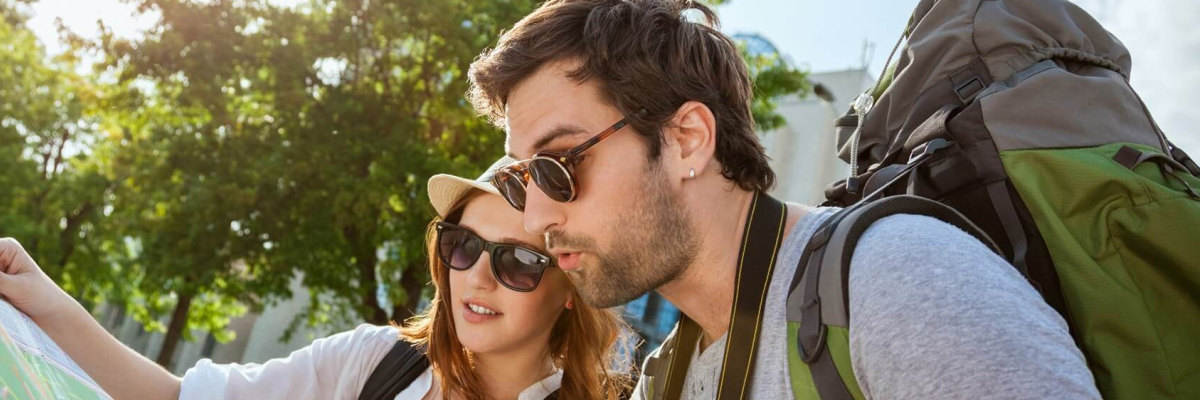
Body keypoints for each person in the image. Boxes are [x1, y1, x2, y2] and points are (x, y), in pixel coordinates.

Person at [464, 0, 1100, 399]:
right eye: (521, 180)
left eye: (558, 165)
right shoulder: (665, 377)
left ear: (687, 139)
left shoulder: (896, 280)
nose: (535, 217)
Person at [0, 159, 633, 400]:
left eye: (518, 262)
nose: (478, 278)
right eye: (464, 246)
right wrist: (45, 299)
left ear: (570, 290)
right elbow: (181, 399)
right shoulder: (376, 362)